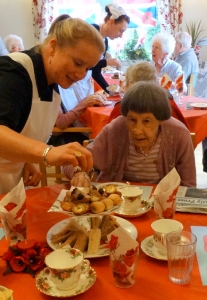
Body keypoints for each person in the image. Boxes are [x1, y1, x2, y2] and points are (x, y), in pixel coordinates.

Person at [0, 17, 105, 195]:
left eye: (88, 68)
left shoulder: (54, 84)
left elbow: (20, 128)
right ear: (54, 47)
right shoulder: (14, 72)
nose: (81, 74)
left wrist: (27, 160)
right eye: (78, 63)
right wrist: (47, 152)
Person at [63, 82, 196, 187]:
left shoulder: (178, 133)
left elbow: (189, 185)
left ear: (161, 119)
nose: (137, 130)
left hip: (160, 204)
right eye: (132, 120)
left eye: (147, 121)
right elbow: (71, 162)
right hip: (117, 202)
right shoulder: (116, 129)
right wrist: (78, 172)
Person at [108, 61, 189, 129]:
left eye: (126, 82)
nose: (124, 86)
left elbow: (108, 140)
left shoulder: (122, 108)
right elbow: (187, 134)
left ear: (131, 84)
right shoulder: (169, 104)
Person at [91, 3, 130, 92]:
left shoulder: (105, 41)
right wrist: (107, 62)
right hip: (73, 84)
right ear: (111, 22)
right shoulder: (92, 31)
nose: (120, 36)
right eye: (120, 31)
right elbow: (84, 64)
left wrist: (111, 91)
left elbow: (96, 73)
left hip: (84, 86)